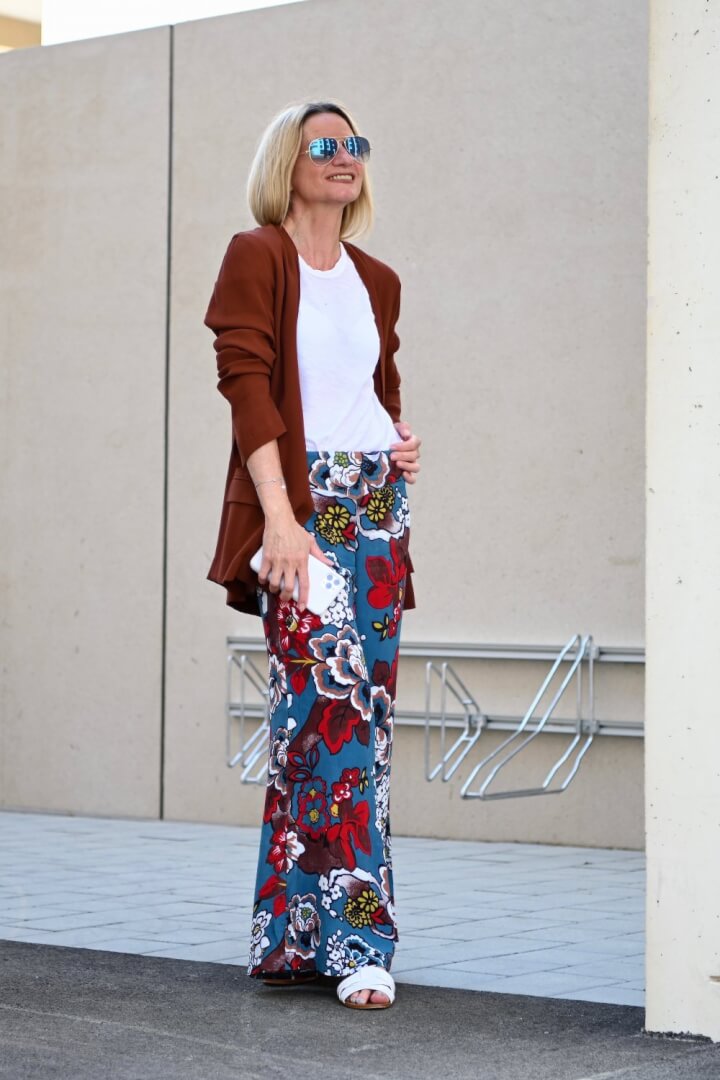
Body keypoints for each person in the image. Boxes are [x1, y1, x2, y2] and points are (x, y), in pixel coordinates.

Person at [204, 100, 421, 1010]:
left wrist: (399, 441)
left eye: (354, 145)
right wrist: (280, 520)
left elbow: (375, 389)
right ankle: (361, 943)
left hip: (377, 508)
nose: (344, 157)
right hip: (303, 506)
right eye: (325, 144)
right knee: (325, 717)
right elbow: (246, 386)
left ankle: (295, 939)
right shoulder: (257, 255)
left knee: (357, 727)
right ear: (287, 163)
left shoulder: (378, 278)